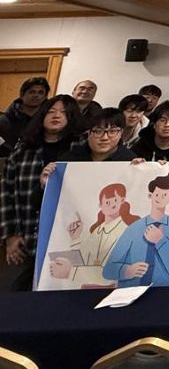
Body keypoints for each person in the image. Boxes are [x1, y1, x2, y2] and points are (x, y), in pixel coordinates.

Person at [1, 95, 82, 290]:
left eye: (63, 112)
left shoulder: (80, 149)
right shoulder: (23, 150)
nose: (56, 116)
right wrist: (10, 235)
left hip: (67, 240)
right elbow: (6, 193)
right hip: (25, 235)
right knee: (11, 292)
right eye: (51, 111)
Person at [103, 173, 169, 287]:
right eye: (157, 194)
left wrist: (161, 241)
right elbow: (108, 270)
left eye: (164, 195)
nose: (160, 198)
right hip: (129, 292)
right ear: (150, 195)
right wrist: (127, 270)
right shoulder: (133, 229)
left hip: (161, 292)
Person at [48, 182, 140, 287]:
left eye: (115, 200)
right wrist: (76, 238)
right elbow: (86, 260)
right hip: (88, 289)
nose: (112, 205)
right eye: (107, 202)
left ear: (122, 201)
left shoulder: (126, 232)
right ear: (100, 205)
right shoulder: (97, 231)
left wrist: (71, 272)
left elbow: (111, 273)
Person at [62, 108, 136, 163]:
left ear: (121, 133)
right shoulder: (70, 159)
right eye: (98, 131)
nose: (105, 138)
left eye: (112, 131)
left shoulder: (129, 161)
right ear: (88, 133)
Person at [0, 76, 49, 156]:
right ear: (22, 95)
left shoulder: (48, 121)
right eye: (32, 92)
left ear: (45, 96)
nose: (36, 95)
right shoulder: (4, 121)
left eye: (40, 92)